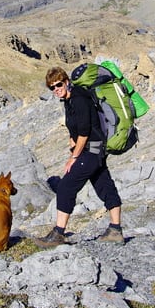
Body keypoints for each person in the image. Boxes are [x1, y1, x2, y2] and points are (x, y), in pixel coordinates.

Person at [34, 66, 124, 247]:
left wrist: (73, 157)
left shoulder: (79, 98)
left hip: (91, 150)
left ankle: (58, 234)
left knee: (66, 186)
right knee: (104, 185)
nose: (56, 89)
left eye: (58, 85)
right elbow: (75, 128)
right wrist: (71, 140)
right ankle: (116, 230)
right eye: (52, 87)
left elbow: (84, 132)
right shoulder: (69, 100)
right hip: (95, 150)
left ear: (67, 82)